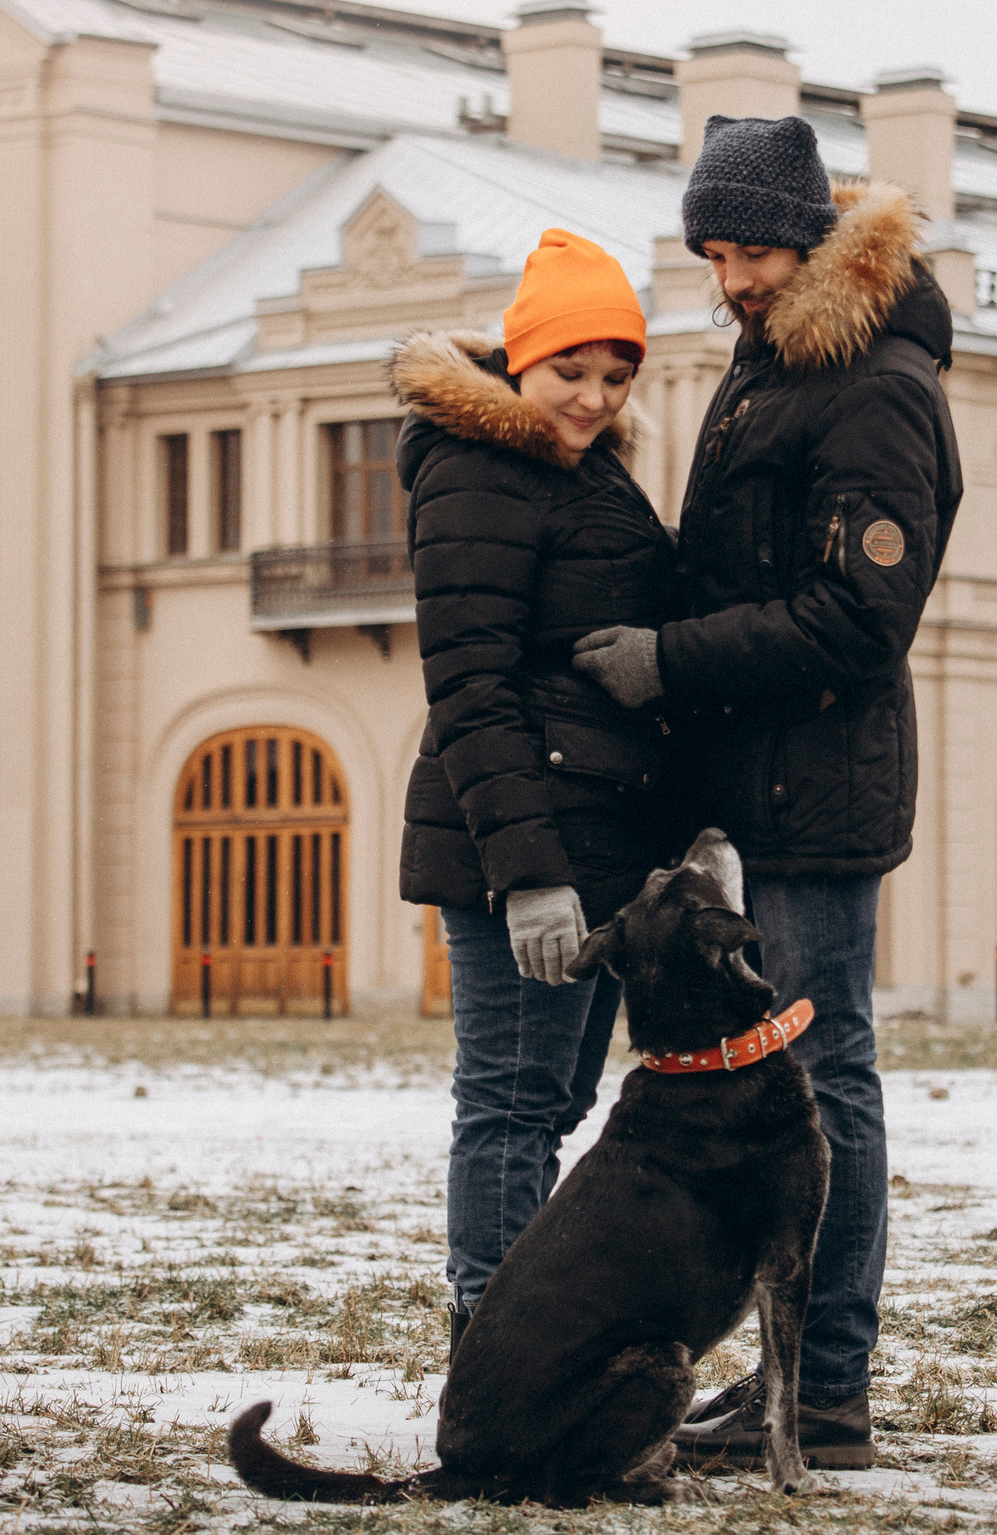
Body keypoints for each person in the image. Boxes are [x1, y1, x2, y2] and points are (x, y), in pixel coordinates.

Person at [573, 114, 962, 1469]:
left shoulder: (877, 386)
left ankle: (831, 1393)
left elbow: (864, 615)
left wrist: (670, 656)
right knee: (799, 1076)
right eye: (715, 250)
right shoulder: (771, 365)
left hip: (823, 783)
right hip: (758, 780)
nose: (732, 273)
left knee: (824, 1081)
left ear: (813, 239)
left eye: (752, 246)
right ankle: (794, 1386)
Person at [392, 228, 682, 1357]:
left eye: (617, 378)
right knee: (508, 1110)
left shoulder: (579, 465)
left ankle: (521, 1340)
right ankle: (493, 1353)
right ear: (520, 361)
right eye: (571, 372)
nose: (594, 397)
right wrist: (528, 878)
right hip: (524, 851)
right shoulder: (476, 468)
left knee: (545, 1110)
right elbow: (468, 686)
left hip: (590, 844)